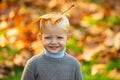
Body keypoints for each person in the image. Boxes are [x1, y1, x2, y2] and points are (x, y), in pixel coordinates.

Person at [21, 12, 83, 80]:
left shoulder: (74, 64)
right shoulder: (33, 64)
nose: (53, 42)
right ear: (40, 38)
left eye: (59, 37)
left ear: (67, 38)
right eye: (48, 37)